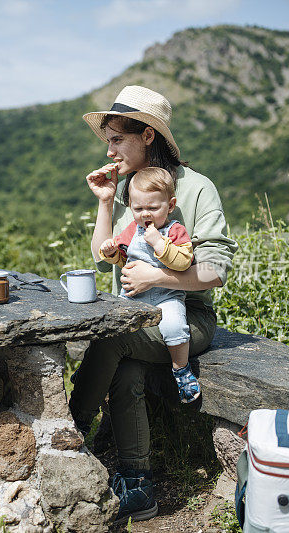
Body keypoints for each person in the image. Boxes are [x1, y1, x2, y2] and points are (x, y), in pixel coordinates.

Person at [68, 85, 237, 524]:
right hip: (137, 318)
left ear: (147, 135)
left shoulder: (196, 189)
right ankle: (138, 485)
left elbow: (217, 271)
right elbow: (102, 251)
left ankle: (69, 430)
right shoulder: (129, 189)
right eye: (107, 140)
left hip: (187, 317)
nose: (109, 149)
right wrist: (106, 203)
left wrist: (157, 276)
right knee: (125, 369)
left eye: (117, 139)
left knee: (110, 343)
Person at [97, 166, 201, 403]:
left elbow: (184, 262)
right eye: (138, 208)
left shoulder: (175, 231)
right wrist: (111, 252)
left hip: (167, 296)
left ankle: (181, 370)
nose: (146, 214)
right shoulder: (132, 230)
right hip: (133, 295)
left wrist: (159, 244)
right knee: (111, 329)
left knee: (175, 327)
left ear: (170, 205)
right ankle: (106, 379)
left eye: (153, 208)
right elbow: (124, 258)